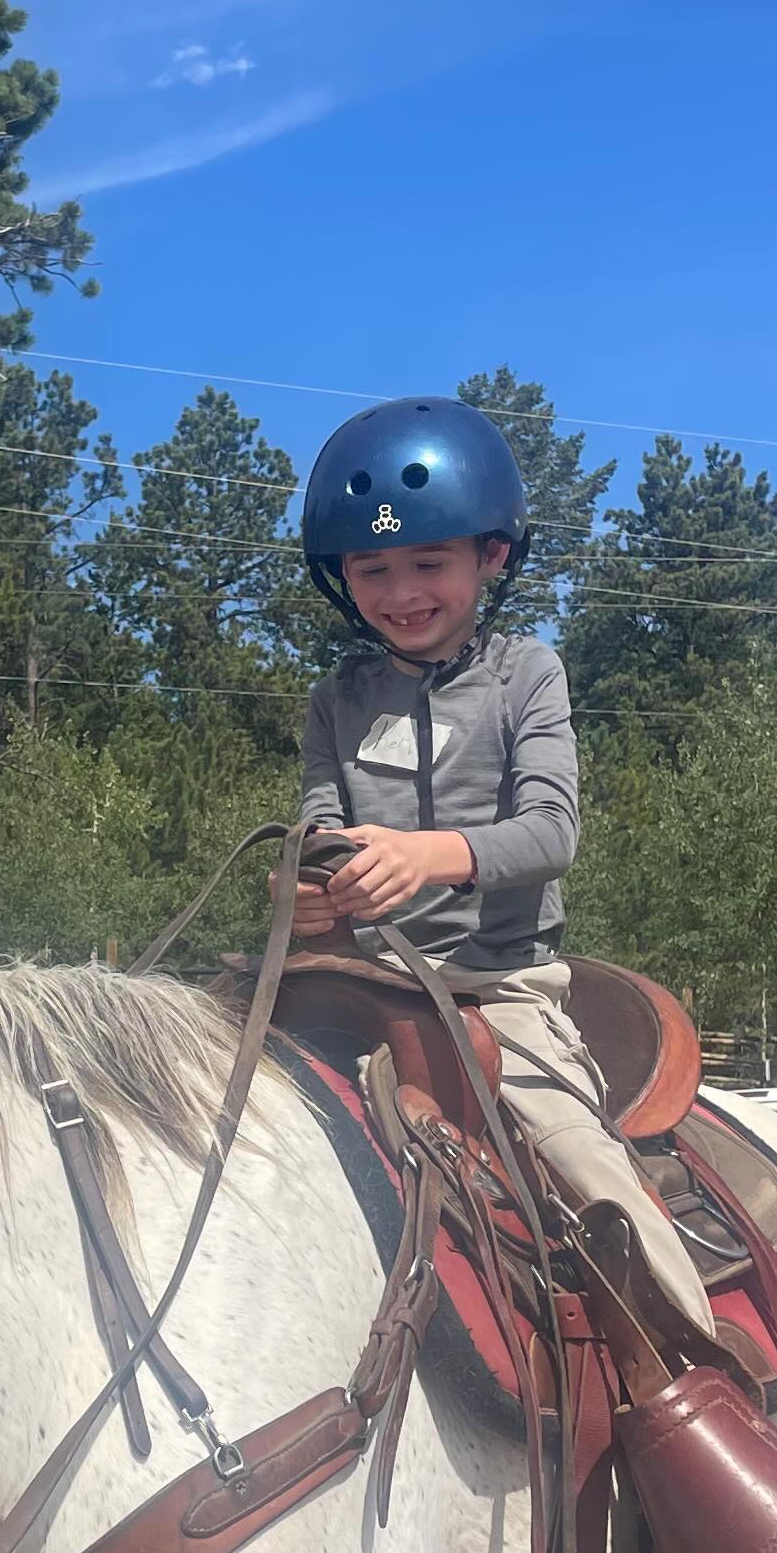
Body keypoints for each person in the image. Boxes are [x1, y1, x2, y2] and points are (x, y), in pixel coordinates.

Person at [296, 393, 711, 1343]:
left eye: (428, 562)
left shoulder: (528, 673)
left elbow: (551, 832)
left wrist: (427, 857)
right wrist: (306, 892)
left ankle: (694, 1369)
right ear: (342, 576)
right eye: (373, 568)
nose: (401, 592)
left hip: (497, 995)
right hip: (357, 984)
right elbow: (318, 832)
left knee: (591, 1174)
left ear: (492, 555)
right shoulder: (336, 698)